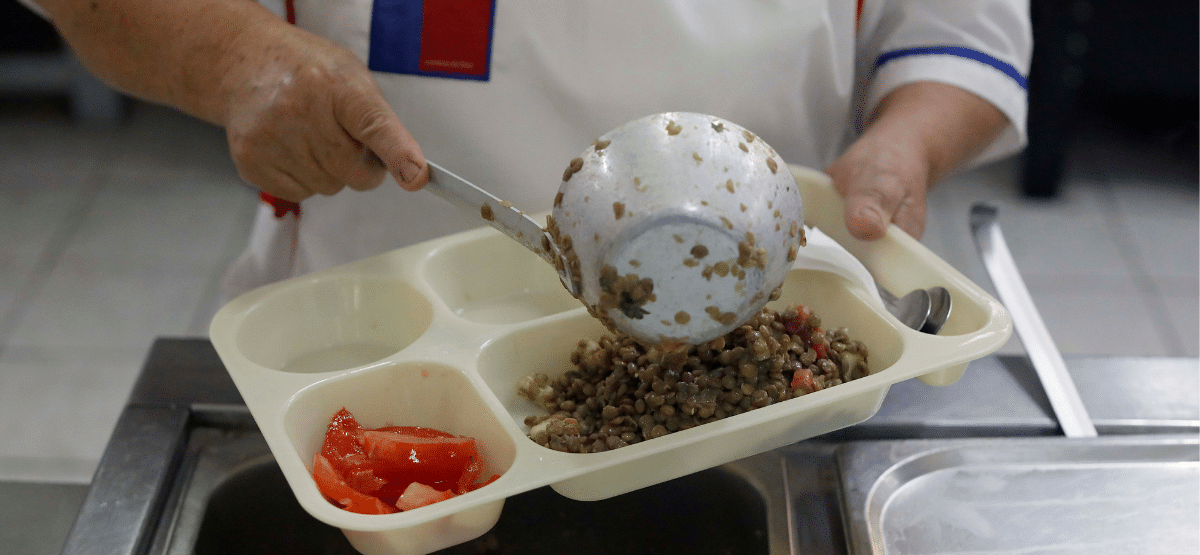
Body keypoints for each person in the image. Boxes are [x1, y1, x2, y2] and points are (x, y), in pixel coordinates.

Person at [30, 0, 1030, 299]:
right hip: (379, 338)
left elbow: (959, 28)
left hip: (756, 333)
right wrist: (236, 59)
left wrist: (906, 144)